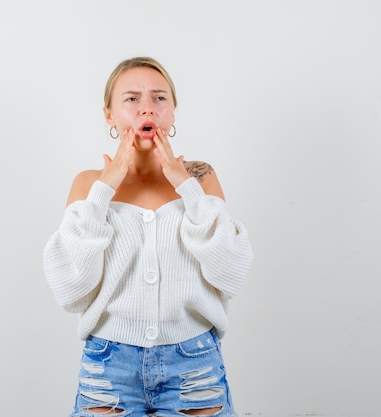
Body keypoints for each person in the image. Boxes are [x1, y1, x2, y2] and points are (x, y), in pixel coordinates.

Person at [42, 56, 254, 417]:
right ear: (109, 115)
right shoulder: (87, 184)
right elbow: (70, 289)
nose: (147, 109)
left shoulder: (200, 177)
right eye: (131, 99)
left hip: (194, 365)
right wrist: (105, 186)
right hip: (109, 368)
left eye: (159, 98)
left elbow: (231, 272)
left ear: (172, 112)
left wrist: (185, 187)